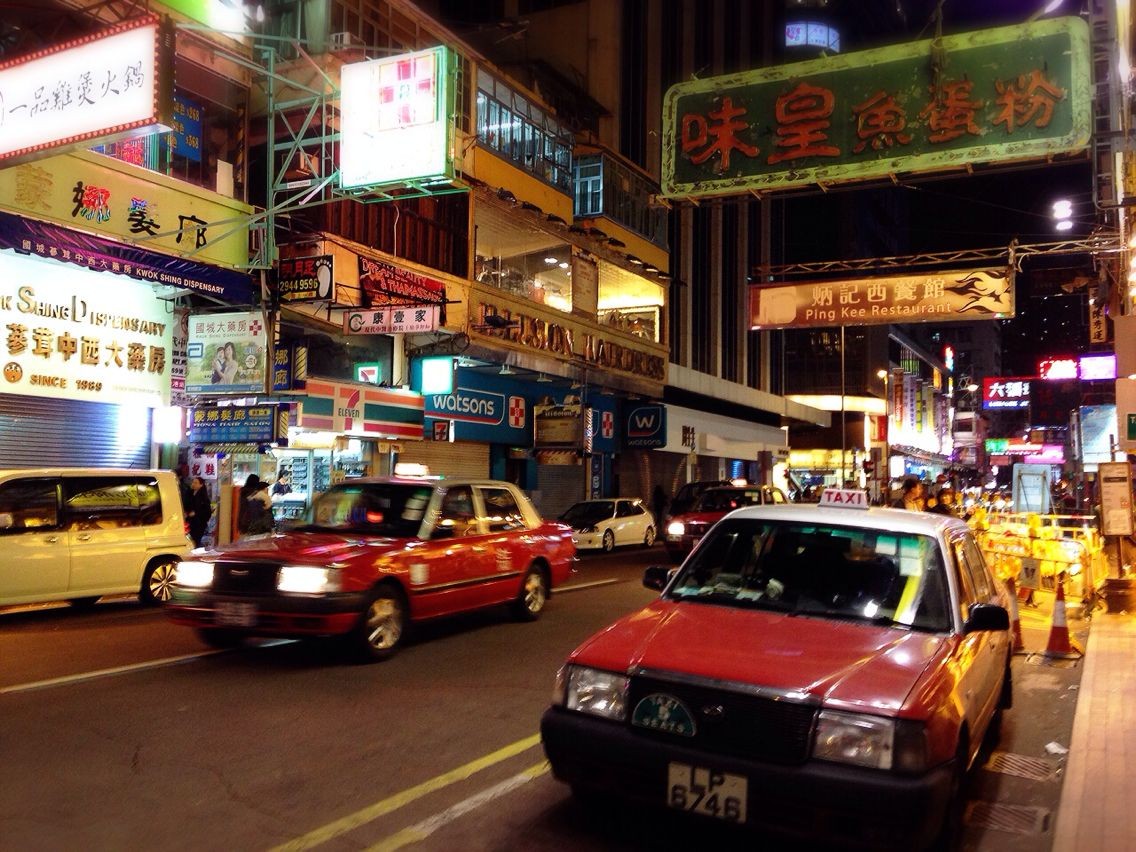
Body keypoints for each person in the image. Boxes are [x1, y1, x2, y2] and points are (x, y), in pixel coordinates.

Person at [187, 476, 212, 547]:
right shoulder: (189, 493)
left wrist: (196, 513)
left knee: (195, 540)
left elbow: (207, 511)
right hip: (190, 521)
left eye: (196, 483)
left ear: (201, 485)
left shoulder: (203, 497)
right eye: (193, 482)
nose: (193, 484)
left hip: (199, 523)